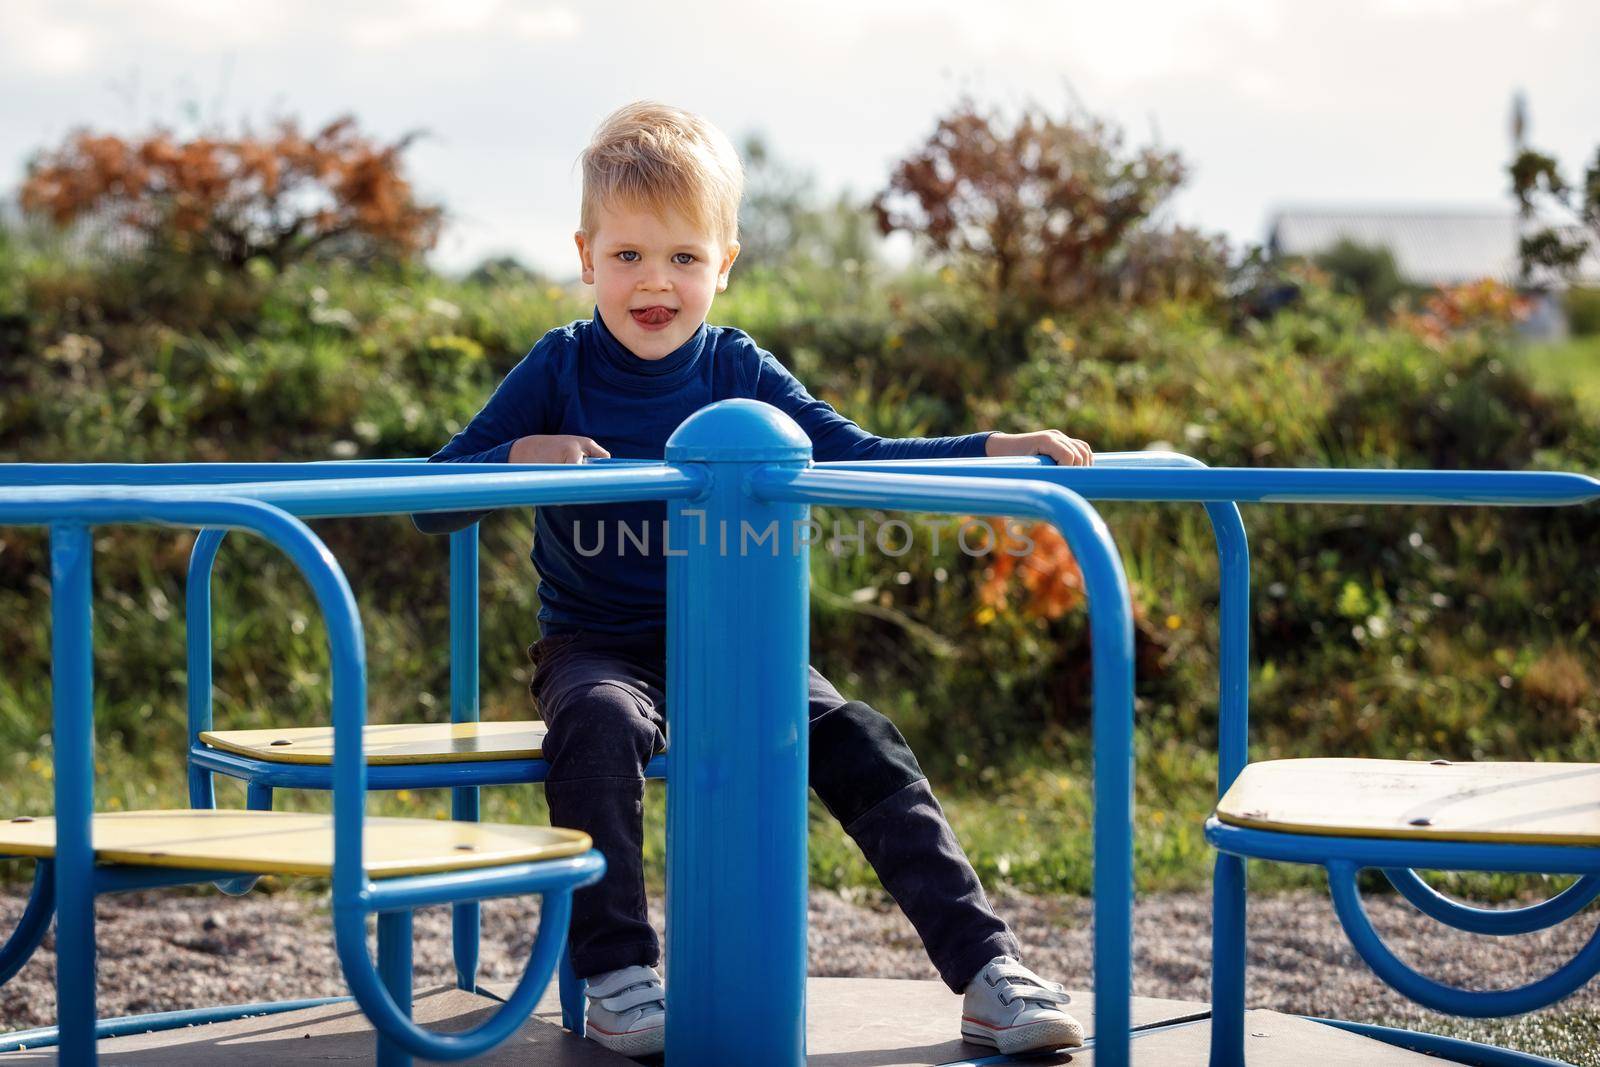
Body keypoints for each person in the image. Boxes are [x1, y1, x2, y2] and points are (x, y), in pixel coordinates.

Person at [415, 100, 1092, 1059]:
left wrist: (995, 448)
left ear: (724, 264)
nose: (657, 283)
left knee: (858, 734)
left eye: (685, 258)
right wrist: (517, 454)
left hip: (737, 634)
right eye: (629, 257)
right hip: (599, 646)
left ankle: (989, 972)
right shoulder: (558, 368)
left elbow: (852, 456)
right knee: (597, 725)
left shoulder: (737, 367)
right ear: (585, 255)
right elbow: (430, 498)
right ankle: (616, 974)